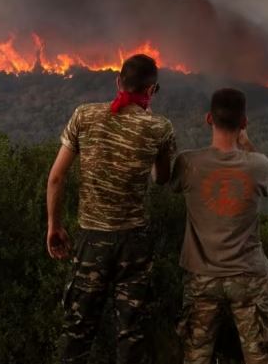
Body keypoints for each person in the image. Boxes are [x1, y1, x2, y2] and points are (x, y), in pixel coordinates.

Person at [46, 53, 177, 364]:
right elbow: (161, 179)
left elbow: (55, 177)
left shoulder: (84, 116)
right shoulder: (159, 127)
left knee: (78, 332)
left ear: (118, 81)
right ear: (152, 90)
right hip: (134, 244)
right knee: (131, 335)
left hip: (91, 241)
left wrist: (54, 225)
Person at [171, 88, 268, 364]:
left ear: (209, 118)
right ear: (244, 122)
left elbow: (162, 179)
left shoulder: (187, 163)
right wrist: (246, 143)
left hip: (202, 278)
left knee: (195, 356)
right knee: (260, 357)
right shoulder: (259, 165)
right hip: (249, 277)